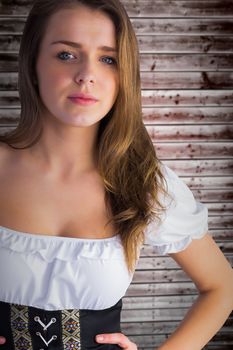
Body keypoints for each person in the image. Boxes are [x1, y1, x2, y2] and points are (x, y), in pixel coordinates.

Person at [0, 0, 232, 349]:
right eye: (66, 55)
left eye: (108, 59)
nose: (87, 75)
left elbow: (222, 287)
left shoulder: (144, 182)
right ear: (32, 64)